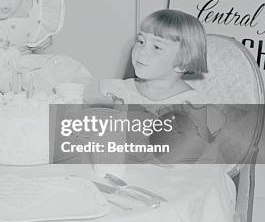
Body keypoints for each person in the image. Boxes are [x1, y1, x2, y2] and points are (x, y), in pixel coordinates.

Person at [84, 9, 220, 161]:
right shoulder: (120, 91)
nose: (142, 51)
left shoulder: (190, 103)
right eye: (141, 41)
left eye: (156, 47)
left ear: (183, 63)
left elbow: (198, 154)